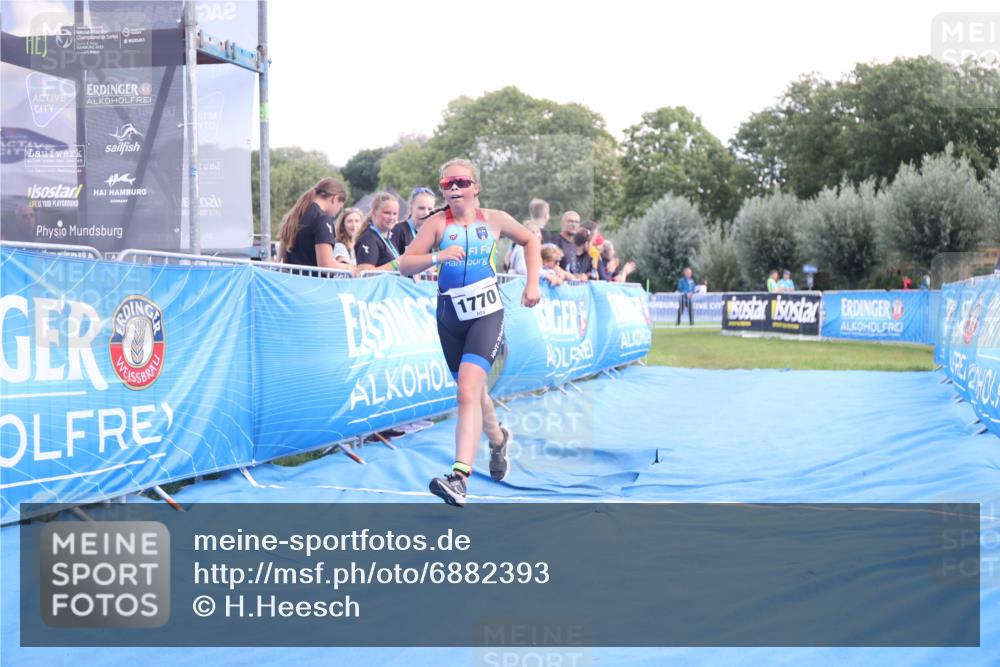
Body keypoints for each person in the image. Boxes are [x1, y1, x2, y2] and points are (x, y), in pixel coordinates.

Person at [398, 158, 541, 506]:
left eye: (461, 182)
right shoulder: (436, 224)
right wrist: (437, 257)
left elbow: (530, 240)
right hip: (450, 317)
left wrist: (533, 283)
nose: (454, 189)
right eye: (447, 184)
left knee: (467, 390)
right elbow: (405, 264)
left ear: (476, 187)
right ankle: (498, 439)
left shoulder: (494, 219)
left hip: (486, 314)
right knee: (474, 393)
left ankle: (459, 478)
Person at [278, 178, 348, 269]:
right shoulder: (322, 219)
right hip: (313, 278)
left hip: (292, 276)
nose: (338, 212)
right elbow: (326, 265)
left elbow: (281, 259)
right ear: (334, 199)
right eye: (340, 207)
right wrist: (349, 268)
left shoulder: (294, 216)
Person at [355, 192, 401, 271]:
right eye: (387, 213)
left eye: (395, 214)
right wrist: (397, 263)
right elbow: (365, 273)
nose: (391, 217)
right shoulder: (368, 239)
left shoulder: (388, 238)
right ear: (374, 213)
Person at [391, 187, 436, 256]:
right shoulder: (398, 230)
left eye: (430, 209)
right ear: (411, 208)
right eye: (421, 208)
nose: (426, 213)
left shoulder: (432, 233)